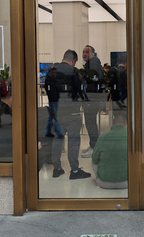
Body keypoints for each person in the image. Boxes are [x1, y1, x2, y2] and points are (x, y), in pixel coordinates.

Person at [49, 50, 91, 179]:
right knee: (73, 141)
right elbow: (79, 90)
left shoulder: (52, 71)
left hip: (56, 111)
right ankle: (74, 171)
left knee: (57, 140)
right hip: (72, 112)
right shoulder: (74, 72)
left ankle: (57, 169)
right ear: (73, 60)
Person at [91, 111, 128, 189]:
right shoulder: (132, 137)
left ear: (112, 124)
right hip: (128, 182)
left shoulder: (102, 137)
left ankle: (101, 177)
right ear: (126, 124)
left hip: (103, 183)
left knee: (93, 158)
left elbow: (94, 159)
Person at [80, 45, 105, 158]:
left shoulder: (93, 64)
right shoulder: (92, 64)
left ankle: (95, 148)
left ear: (93, 54)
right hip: (92, 98)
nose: (84, 54)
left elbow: (93, 81)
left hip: (91, 99)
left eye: (87, 52)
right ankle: (93, 145)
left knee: (90, 123)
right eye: (83, 52)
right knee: (91, 123)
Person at [44, 67, 64, 138]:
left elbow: (59, 88)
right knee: (54, 117)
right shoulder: (49, 81)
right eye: (53, 72)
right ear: (50, 73)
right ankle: (59, 133)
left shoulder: (54, 80)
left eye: (55, 72)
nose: (55, 74)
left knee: (51, 116)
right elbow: (50, 90)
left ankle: (48, 132)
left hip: (55, 99)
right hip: (52, 100)